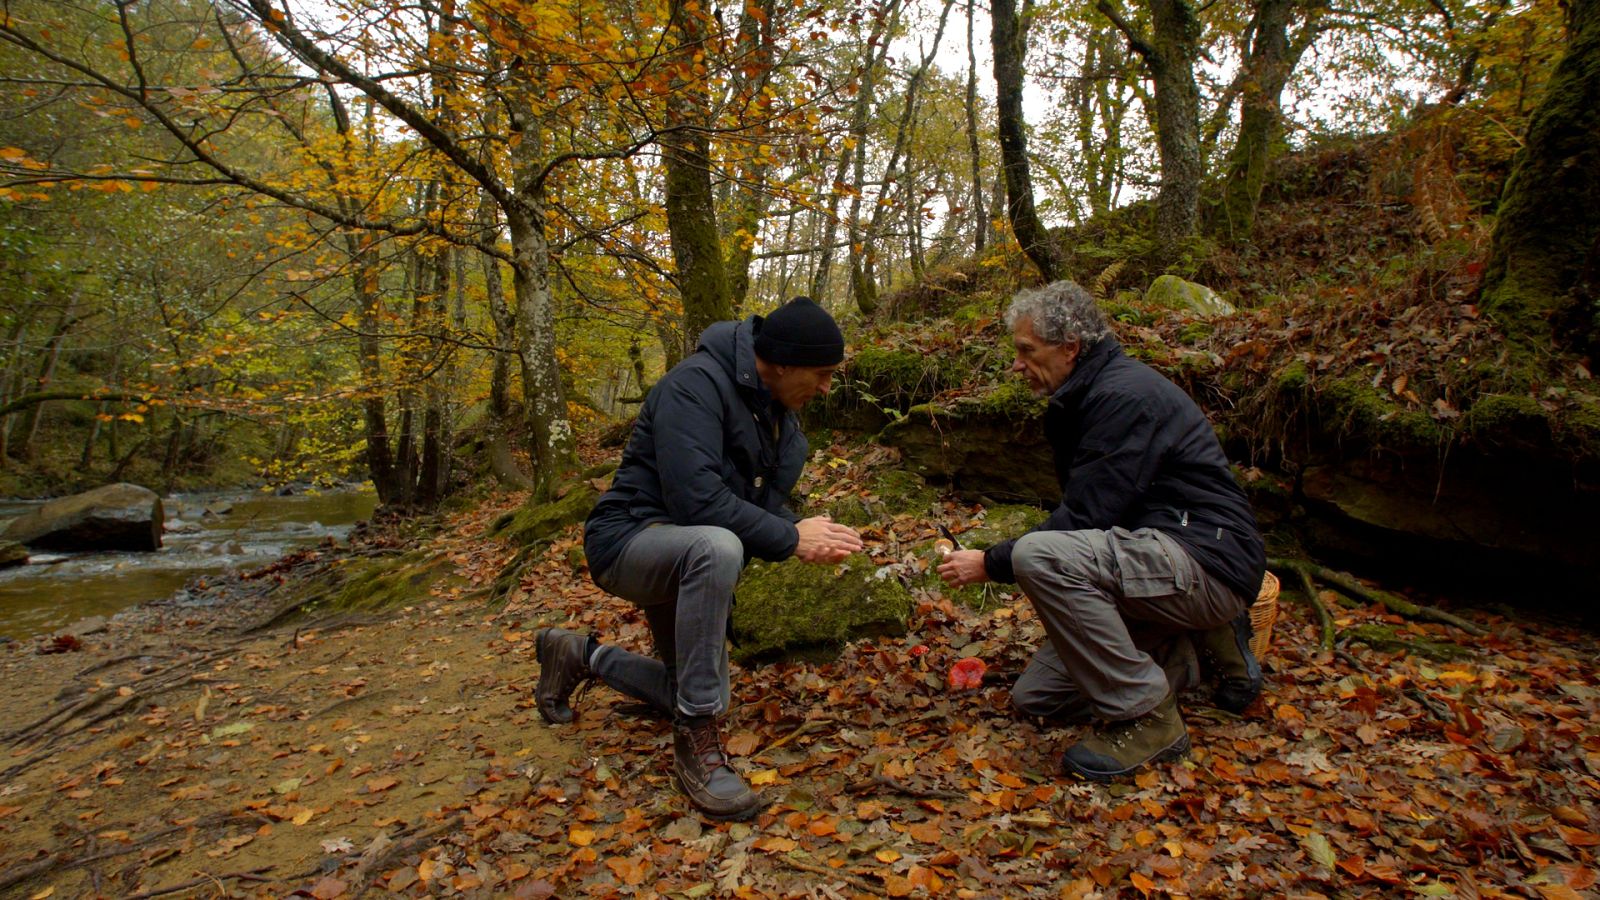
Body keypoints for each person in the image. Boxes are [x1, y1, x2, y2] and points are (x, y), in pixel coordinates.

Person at [534, 297, 864, 820]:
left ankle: (578, 655)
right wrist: (789, 537)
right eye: (821, 374)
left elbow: (760, 503)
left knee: (688, 686)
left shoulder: (779, 418)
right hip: (630, 540)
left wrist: (807, 531)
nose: (826, 388)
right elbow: (698, 501)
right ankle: (697, 746)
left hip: (691, 556)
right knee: (717, 547)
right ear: (781, 362)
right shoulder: (693, 386)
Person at [938, 280, 1266, 781]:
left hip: (1203, 558)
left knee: (1037, 556)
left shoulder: (1125, 397)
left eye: (1028, 351)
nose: (1017, 364)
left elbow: (1088, 516)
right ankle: (1190, 654)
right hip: (1154, 559)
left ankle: (1148, 716)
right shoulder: (1087, 396)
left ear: (1070, 347)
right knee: (1038, 697)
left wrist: (990, 561)